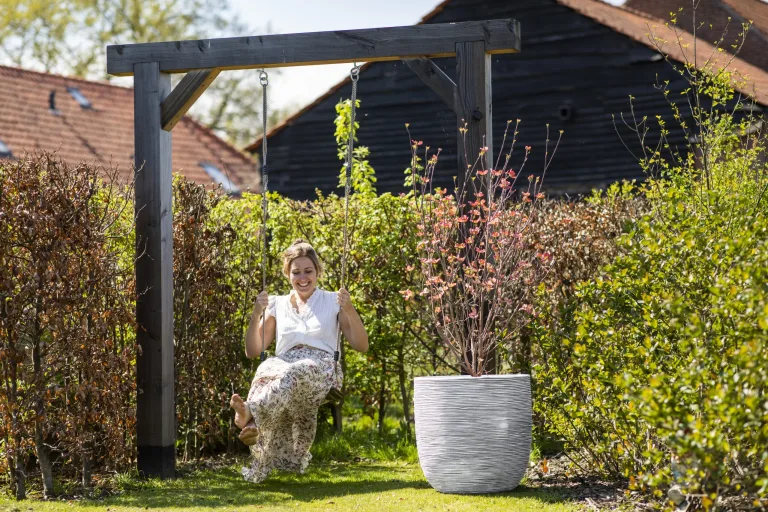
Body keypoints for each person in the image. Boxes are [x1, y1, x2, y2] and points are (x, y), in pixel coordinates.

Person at [230, 239, 368, 483]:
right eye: (296, 272)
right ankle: (252, 421)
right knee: (266, 366)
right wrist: (255, 315)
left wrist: (350, 309)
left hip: (319, 368)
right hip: (284, 364)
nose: (302, 278)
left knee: (295, 371)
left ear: (317, 272)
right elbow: (253, 350)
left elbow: (361, 345)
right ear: (287, 273)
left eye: (308, 271)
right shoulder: (278, 304)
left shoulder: (333, 301)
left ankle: (249, 413)